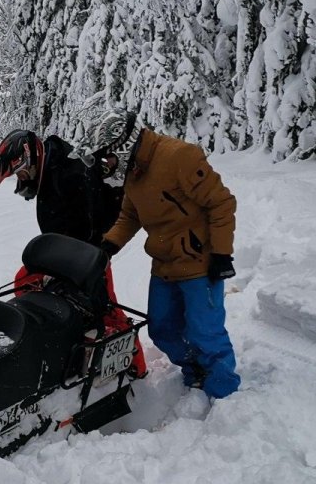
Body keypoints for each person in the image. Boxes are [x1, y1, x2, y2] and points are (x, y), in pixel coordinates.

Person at [88, 111, 240, 398]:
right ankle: (195, 370)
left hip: (199, 264)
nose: (106, 163)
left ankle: (223, 392)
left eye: (107, 156)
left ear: (123, 143)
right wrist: (108, 246)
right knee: (162, 329)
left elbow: (222, 203)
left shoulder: (179, 157)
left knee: (205, 332)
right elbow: (129, 215)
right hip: (164, 264)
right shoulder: (135, 170)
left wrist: (222, 254)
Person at [0, 130, 146, 376]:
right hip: (63, 250)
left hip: (89, 253)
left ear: (31, 159)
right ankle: (56, 341)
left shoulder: (70, 174)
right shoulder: (52, 167)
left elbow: (91, 224)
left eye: (20, 172)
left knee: (103, 309)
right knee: (24, 282)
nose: (21, 179)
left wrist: (66, 269)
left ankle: (134, 366)